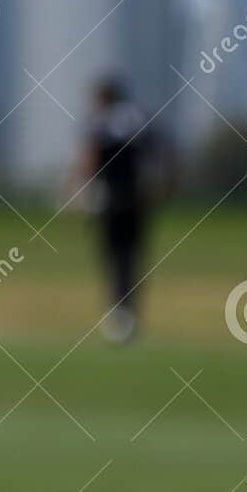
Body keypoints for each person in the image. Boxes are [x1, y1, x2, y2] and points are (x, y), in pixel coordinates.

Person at [70, 76, 161, 344]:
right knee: (132, 257)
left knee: (112, 256)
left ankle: (117, 315)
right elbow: (158, 159)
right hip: (138, 199)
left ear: (103, 98)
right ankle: (129, 313)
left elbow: (88, 157)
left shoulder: (99, 121)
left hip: (109, 198)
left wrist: (79, 194)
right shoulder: (141, 118)